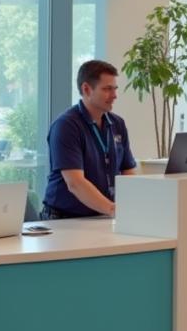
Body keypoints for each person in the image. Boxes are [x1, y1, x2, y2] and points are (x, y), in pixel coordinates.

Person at [42, 60, 137, 219]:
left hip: (103, 214)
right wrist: (114, 210)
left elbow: (128, 171)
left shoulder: (117, 124)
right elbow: (75, 183)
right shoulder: (66, 126)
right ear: (86, 89)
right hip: (64, 219)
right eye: (107, 89)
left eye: (114, 89)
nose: (114, 95)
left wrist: (134, 204)